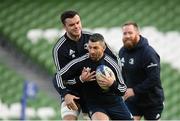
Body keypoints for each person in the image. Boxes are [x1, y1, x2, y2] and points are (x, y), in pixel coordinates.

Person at [52, 10, 116, 120]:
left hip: (94, 90)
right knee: (69, 119)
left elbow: (114, 58)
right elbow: (63, 78)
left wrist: (112, 80)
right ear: (64, 26)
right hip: (73, 91)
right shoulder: (59, 49)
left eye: (78, 22)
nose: (76, 26)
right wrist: (68, 92)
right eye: (72, 25)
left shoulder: (92, 38)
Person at [58, 33, 133, 120]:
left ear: (103, 48)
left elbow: (123, 89)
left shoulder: (113, 64)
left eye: (95, 48)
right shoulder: (81, 62)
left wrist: (112, 83)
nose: (92, 51)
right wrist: (79, 80)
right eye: (89, 47)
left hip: (115, 103)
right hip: (96, 105)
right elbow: (58, 76)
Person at [118, 21, 164, 121]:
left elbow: (154, 79)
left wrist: (134, 90)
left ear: (138, 33)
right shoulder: (122, 52)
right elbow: (122, 75)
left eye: (130, 33)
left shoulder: (148, 53)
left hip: (151, 102)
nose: (127, 36)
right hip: (132, 101)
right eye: (125, 33)